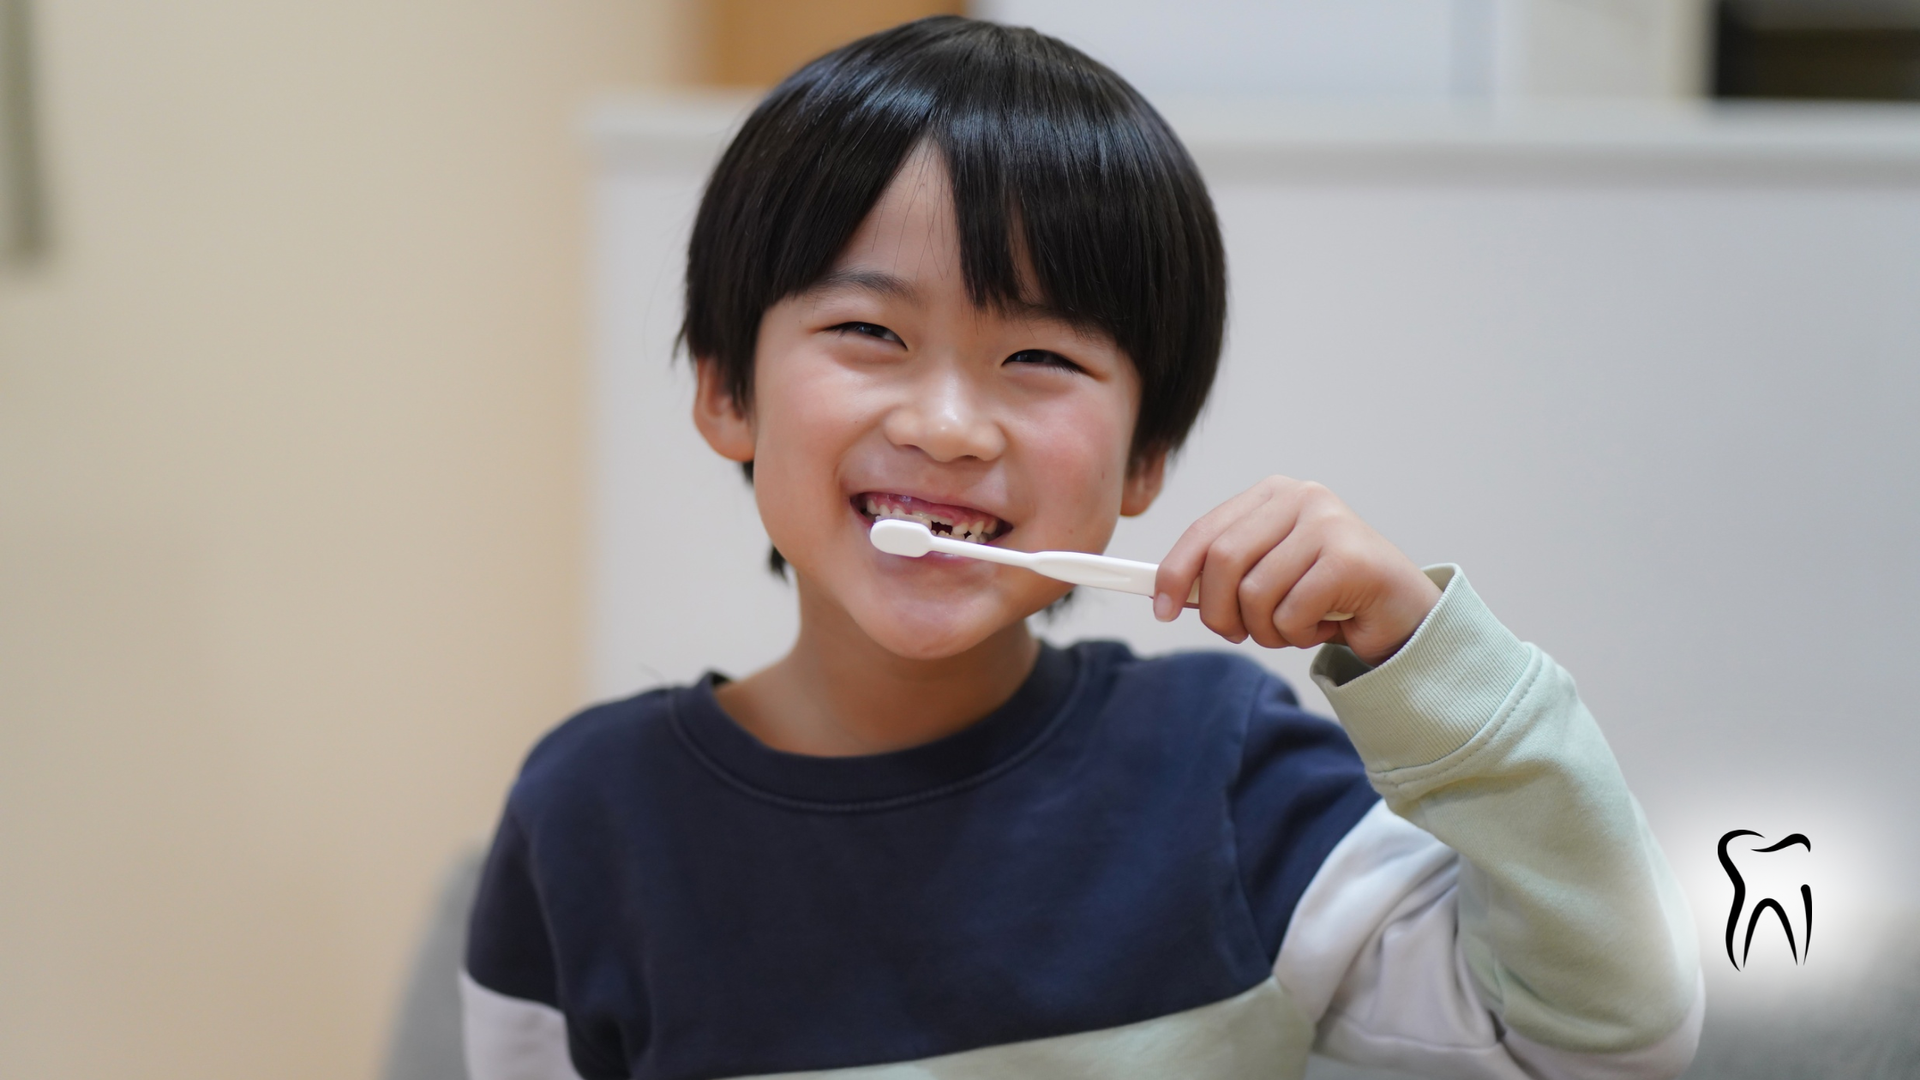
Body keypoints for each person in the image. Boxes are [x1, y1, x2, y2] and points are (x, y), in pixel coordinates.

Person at [460, 17, 1702, 1080]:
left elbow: (1600, 1037)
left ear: (1143, 463)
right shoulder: (588, 822)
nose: (945, 426)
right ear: (729, 391)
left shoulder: (1220, 777)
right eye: (866, 330)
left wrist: (1428, 657)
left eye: (1039, 359)